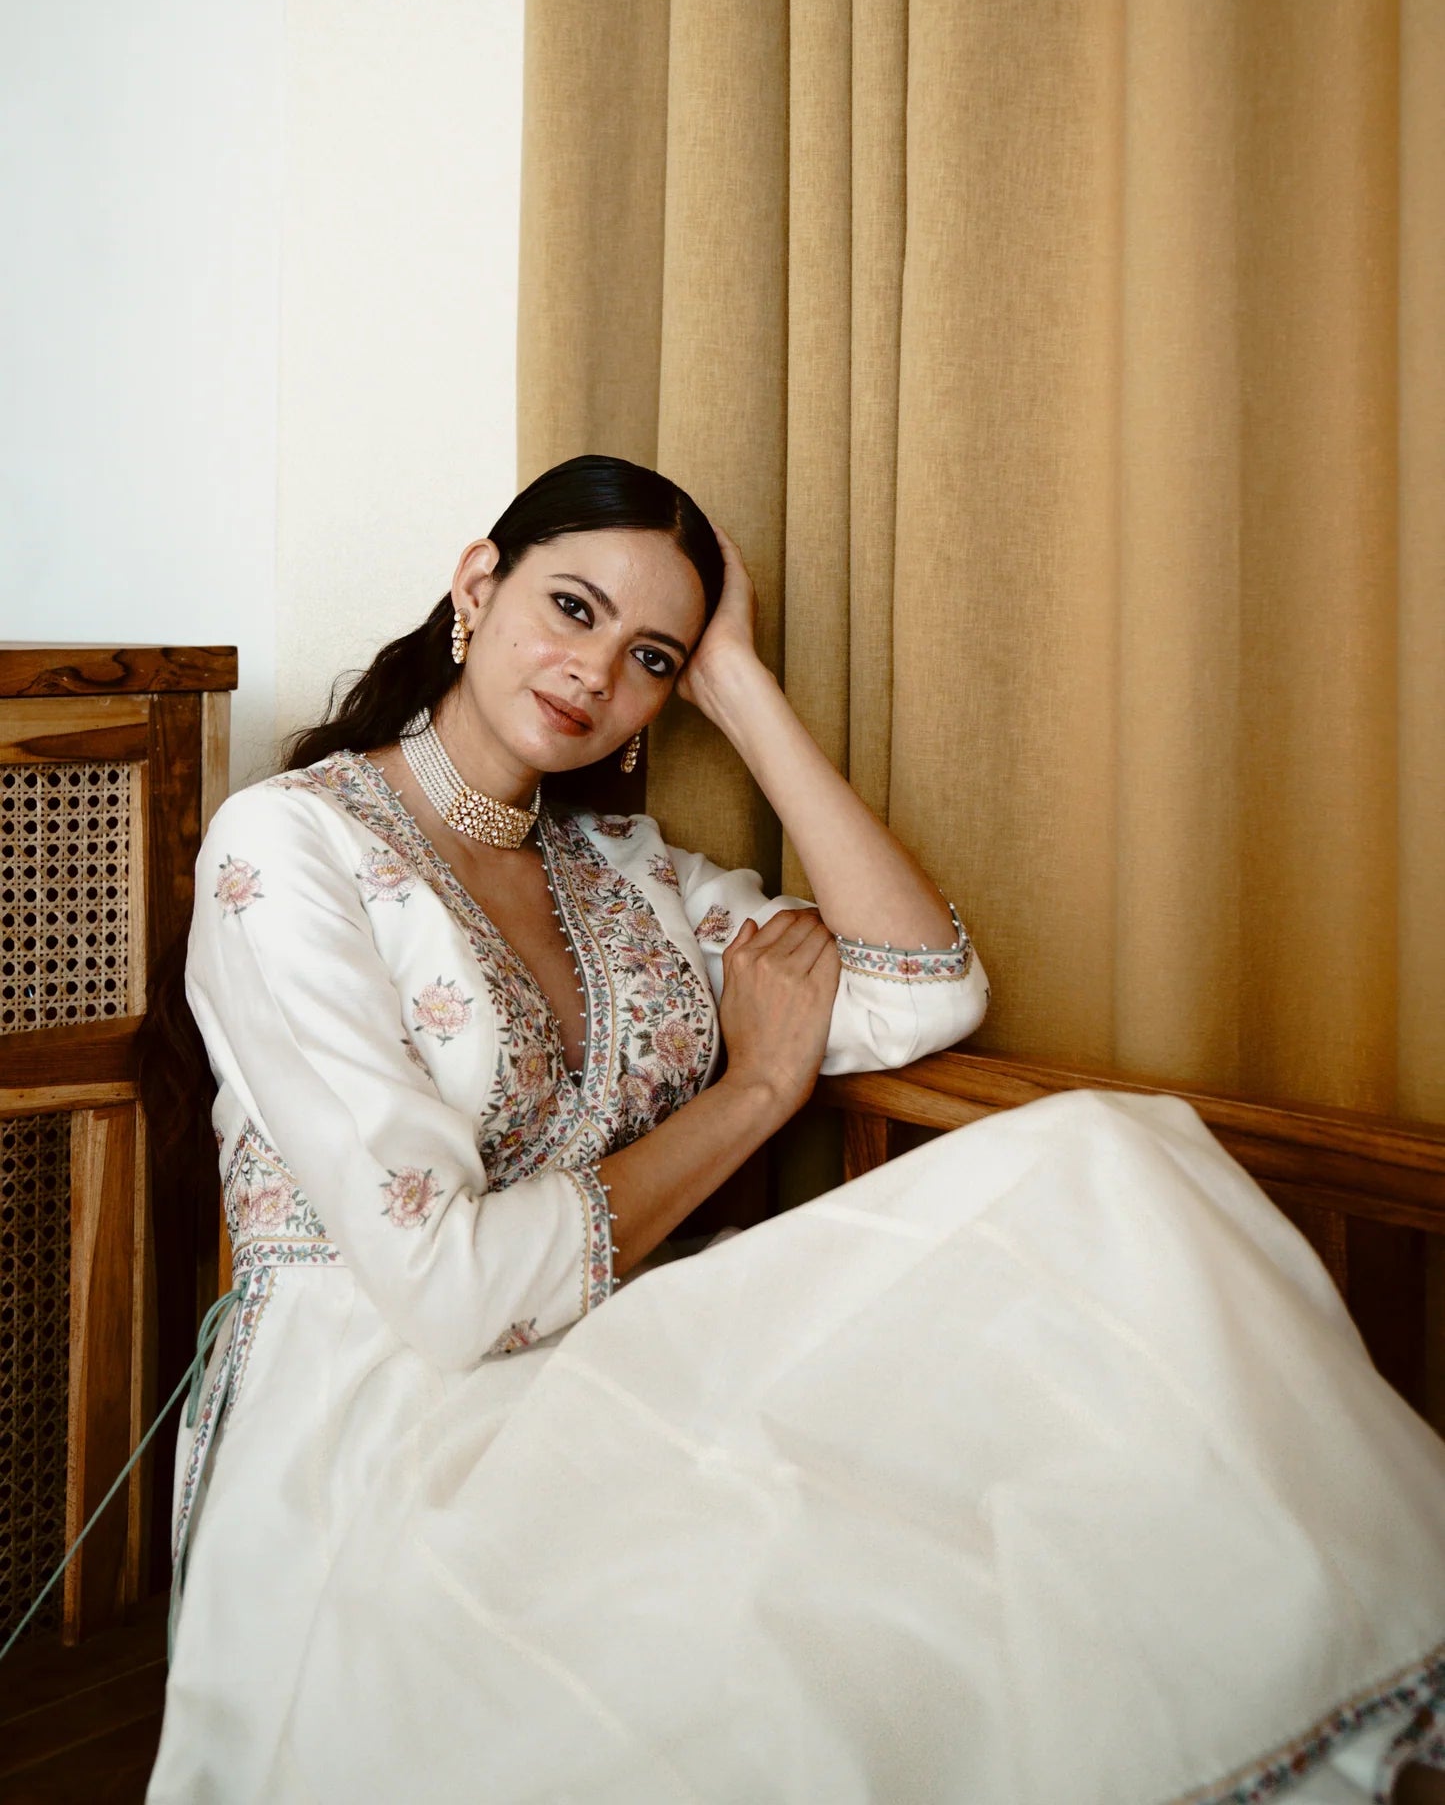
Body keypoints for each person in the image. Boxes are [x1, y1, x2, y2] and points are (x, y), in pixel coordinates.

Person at [147, 456, 1445, 1805]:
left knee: (1107, 1158)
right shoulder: (288, 846)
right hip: (383, 1416)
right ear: (477, 585)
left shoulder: (625, 872)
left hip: (616, 1363)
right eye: (573, 608)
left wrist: (741, 689)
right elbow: (454, 1293)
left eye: (650, 657)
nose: (596, 673)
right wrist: (754, 1094)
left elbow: (923, 990)